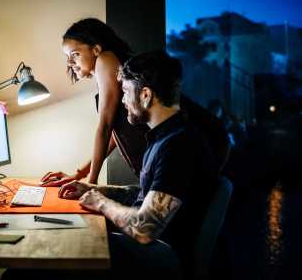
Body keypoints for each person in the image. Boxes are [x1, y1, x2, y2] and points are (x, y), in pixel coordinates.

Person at [60, 51, 220, 275]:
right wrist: (93, 189)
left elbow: (145, 228)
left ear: (145, 95)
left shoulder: (177, 146)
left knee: (43, 261)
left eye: (125, 92)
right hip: (150, 250)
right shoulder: (165, 136)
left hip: (158, 257)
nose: (123, 101)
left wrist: (100, 203)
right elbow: (145, 195)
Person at [41, 18, 229, 188]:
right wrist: (81, 174)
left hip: (198, 148)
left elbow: (105, 126)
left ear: (96, 49)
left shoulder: (105, 60)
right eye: (67, 57)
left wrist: (90, 184)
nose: (70, 63)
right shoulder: (112, 70)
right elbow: (115, 132)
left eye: (74, 54)